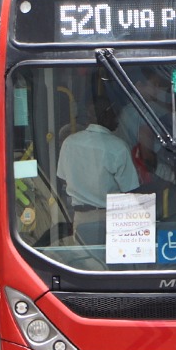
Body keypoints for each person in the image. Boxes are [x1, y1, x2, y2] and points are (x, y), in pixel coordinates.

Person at [56, 98, 139, 245]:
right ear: (106, 116)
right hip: (113, 218)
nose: (118, 121)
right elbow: (130, 190)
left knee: (86, 263)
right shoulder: (118, 147)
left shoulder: (69, 143)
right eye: (115, 115)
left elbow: (63, 178)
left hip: (80, 217)